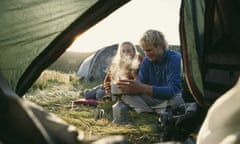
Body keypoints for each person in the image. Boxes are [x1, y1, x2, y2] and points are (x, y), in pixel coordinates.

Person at [116, 29, 184, 114]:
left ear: (160, 46)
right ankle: (159, 111)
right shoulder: (147, 61)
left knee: (177, 99)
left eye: (149, 50)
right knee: (126, 96)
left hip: (169, 98)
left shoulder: (174, 58)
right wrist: (130, 88)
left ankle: (150, 111)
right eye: (144, 51)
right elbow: (140, 85)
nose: (146, 54)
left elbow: (173, 90)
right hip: (154, 99)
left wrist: (142, 88)